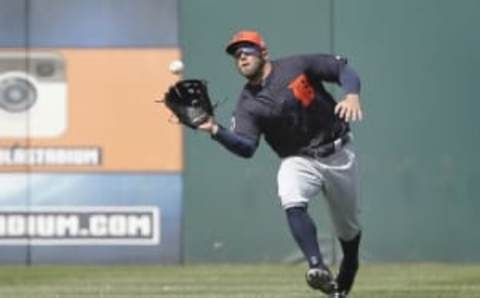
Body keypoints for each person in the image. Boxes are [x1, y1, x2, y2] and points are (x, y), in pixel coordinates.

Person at [198, 30, 363, 298]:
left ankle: (350, 264)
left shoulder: (296, 65)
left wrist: (352, 94)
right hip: (299, 158)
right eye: (236, 54)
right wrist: (215, 130)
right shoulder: (247, 104)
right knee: (290, 196)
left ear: (264, 52)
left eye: (247, 50)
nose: (241, 57)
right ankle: (316, 266)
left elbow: (341, 69)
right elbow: (246, 147)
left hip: (338, 153)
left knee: (349, 230)